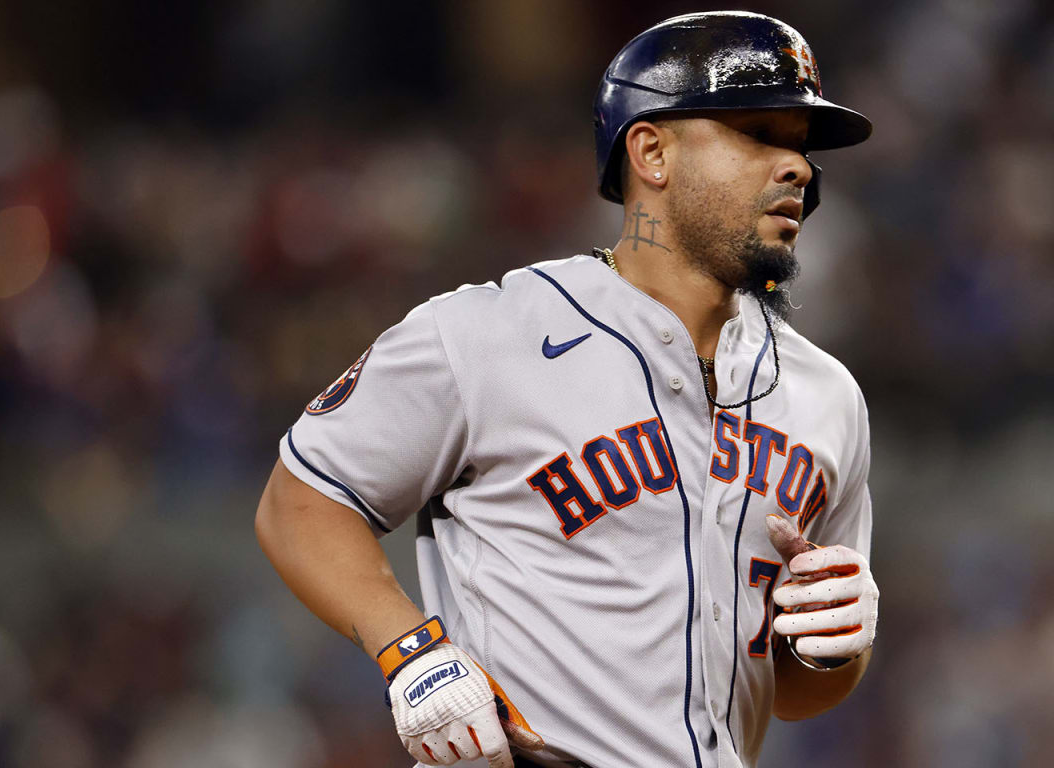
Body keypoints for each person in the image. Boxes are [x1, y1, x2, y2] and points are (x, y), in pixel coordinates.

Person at [254, 11, 879, 768]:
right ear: (651, 150)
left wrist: (831, 650)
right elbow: (299, 504)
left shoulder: (826, 395)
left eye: (799, 146)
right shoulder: (489, 335)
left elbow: (793, 694)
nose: (798, 167)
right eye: (758, 133)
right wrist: (411, 653)